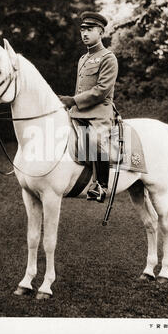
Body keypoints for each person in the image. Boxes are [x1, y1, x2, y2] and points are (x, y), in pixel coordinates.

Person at [59, 11, 118, 202]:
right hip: (78, 111)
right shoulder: (83, 59)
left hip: (99, 112)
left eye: (90, 30)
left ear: (101, 32)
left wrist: (73, 100)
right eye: (82, 30)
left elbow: (101, 90)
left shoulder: (108, 58)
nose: (84, 33)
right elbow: (81, 87)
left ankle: (100, 186)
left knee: (96, 139)